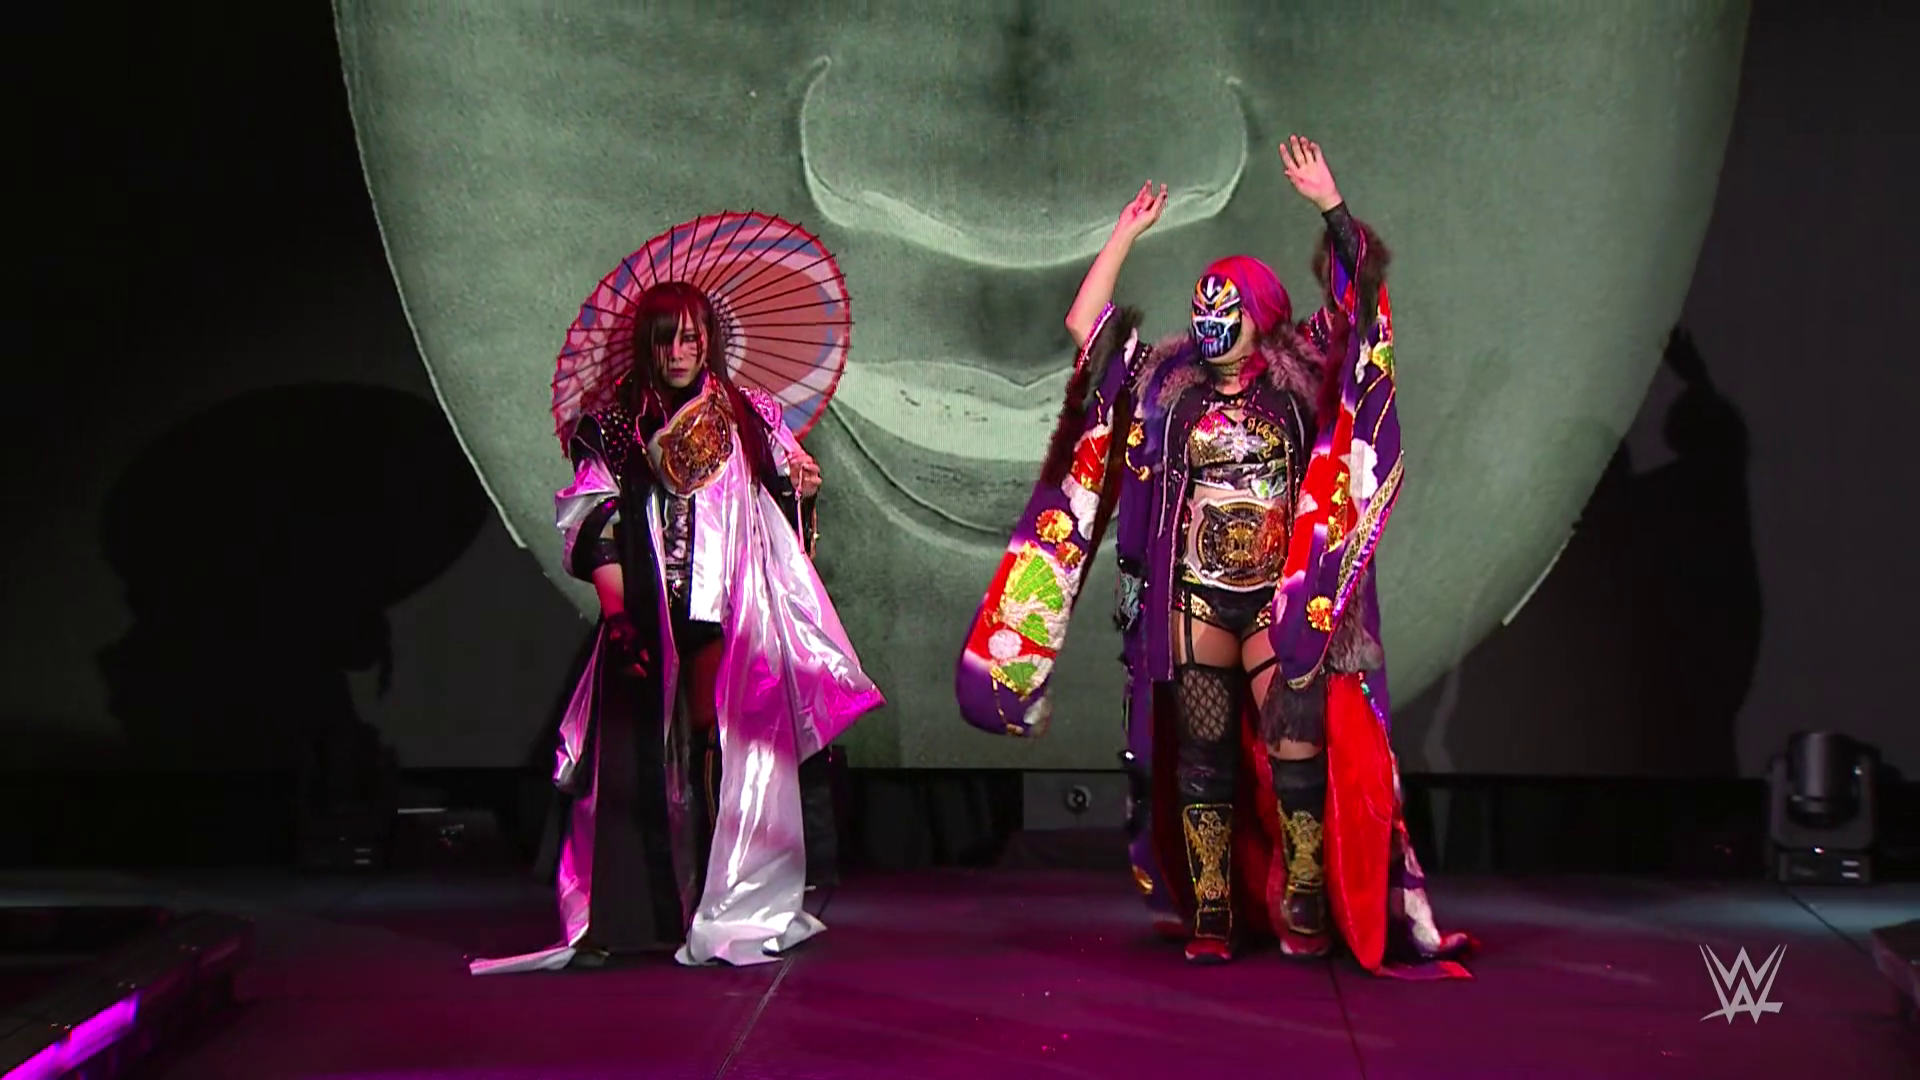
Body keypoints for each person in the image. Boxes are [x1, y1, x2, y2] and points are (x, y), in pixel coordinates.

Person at [955, 137, 1472, 977]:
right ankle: (1211, 910)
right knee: (1203, 759)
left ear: (1259, 312)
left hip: (1279, 599)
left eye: (1224, 305)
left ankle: (1305, 897)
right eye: (1201, 305)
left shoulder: (1301, 371)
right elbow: (1086, 328)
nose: (1208, 320)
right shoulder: (1166, 384)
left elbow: (1359, 305)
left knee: (1297, 751)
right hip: (1194, 598)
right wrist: (1125, 233)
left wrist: (1331, 205)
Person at [474, 281, 883, 973]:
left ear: (709, 340)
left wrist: (799, 486)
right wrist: (618, 616)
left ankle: (724, 902)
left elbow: (780, 514)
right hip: (646, 610)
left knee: (725, 752)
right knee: (634, 766)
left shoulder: (747, 415)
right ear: (648, 344)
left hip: (728, 612)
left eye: (691, 337)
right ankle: (637, 917)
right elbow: (594, 524)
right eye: (666, 338)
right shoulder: (616, 425)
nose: (680, 351)